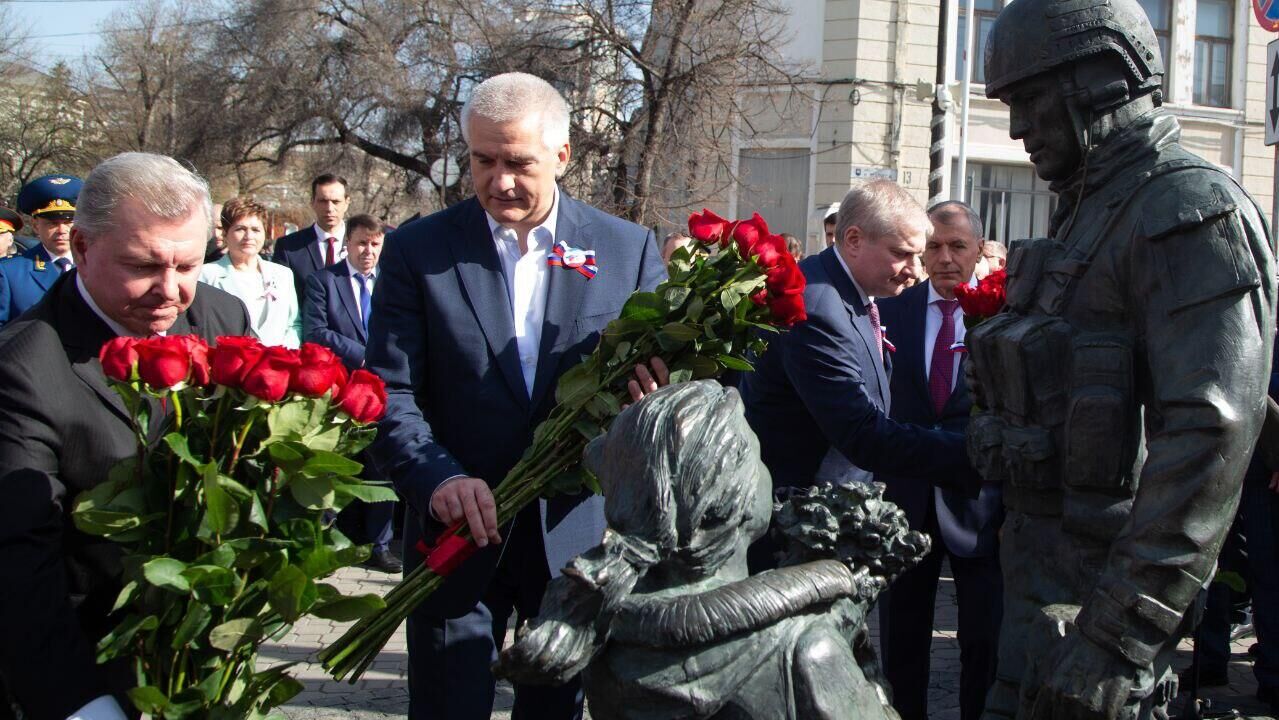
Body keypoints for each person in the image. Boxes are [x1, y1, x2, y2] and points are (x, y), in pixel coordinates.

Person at [966, 1, 1276, 717]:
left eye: (1029, 102)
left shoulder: (1186, 208)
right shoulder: (1091, 208)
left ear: (1101, 80)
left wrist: (1118, 639)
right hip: (1043, 593)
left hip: (1101, 623)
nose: (1017, 129)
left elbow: (1209, 437)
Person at [363, 72, 666, 720]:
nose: (498, 180)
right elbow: (389, 389)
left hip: (574, 541)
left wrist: (654, 397)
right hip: (453, 537)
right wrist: (436, 477)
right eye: (482, 160)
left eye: (517, 162)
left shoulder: (626, 251)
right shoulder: (419, 251)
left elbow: (675, 395)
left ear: (560, 156)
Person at [0, 152, 251, 720]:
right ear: (83, 249)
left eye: (187, 267)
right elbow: (20, 565)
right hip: (85, 667)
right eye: (143, 266)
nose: (169, 292)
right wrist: (83, 705)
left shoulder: (222, 319)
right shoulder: (22, 368)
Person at [496, 381, 906, 720]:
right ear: (733, 500)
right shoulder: (806, 650)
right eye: (758, 460)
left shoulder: (606, 629)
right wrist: (866, 673)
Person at [741, 180, 981, 571]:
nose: (915, 271)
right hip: (791, 531)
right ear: (853, 239)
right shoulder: (817, 305)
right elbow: (862, 432)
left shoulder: (850, 295)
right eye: (903, 254)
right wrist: (976, 456)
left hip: (821, 517)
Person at [875, 200, 1002, 720]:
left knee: (983, 645)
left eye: (958, 246)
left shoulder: (1003, 317)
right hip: (904, 503)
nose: (946, 257)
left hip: (980, 504)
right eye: (934, 245)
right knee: (901, 645)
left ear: (978, 251)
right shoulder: (887, 312)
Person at [302, 213, 401, 573]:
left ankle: (381, 544)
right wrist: (362, 354)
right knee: (334, 467)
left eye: (375, 244)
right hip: (339, 389)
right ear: (348, 242)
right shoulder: (324, 282)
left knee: (382, 469)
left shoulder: (392, 282)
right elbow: (315, 331)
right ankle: (327, 545)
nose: (368, 251)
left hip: (381, 391)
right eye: (362, 243)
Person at [199, 197, 301, 347]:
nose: (249, 237)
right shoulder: (206, 275)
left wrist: (284, 353)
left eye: (255, 230)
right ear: (226, 233)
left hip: (276, 365)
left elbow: (294, 325)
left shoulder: (283, 275)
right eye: (240, 229)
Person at [0, 173, 82, 328]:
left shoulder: (97, 267)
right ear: (36, 225)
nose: (61, 230)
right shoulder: (9, 272)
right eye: (52, 223)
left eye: (68, 222)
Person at [272, 174, 351, 303]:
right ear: (312, 202)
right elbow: (280, 299)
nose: (329, 208)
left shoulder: (364, 245)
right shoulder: (289, 247)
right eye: (323, 201)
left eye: (336, 202)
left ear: (347, 203)